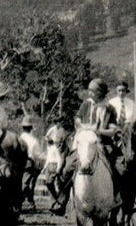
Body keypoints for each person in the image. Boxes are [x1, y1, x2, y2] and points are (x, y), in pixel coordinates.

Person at [51, 78, 121, 215]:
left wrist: (98, 131)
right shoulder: (86, 104)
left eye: (92, 91)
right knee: (68, 168)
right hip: (84, 143)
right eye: (89, 90)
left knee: (120, 168)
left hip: (103, 143)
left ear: (100, 92)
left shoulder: (109, 108)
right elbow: (77, 120)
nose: (89, 93)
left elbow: (113, 130)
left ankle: (117, 197)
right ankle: (62, 200)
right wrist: (83, 126)